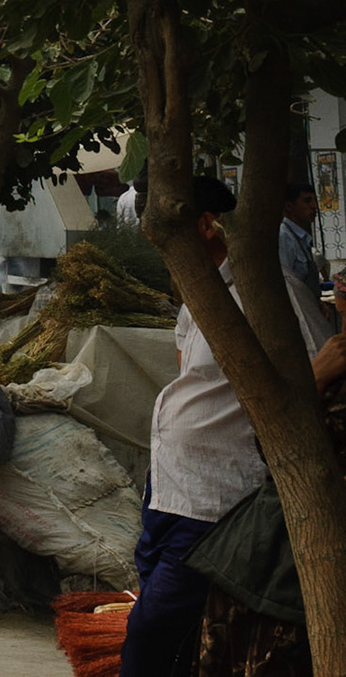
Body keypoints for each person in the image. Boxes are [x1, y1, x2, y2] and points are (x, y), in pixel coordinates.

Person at [120, 176, 346, 676]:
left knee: (150, 630)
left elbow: (320, 386)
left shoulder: (273, 295)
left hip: (220, 498)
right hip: (169, 488)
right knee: (171, 628)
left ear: (204, 225)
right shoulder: (197, 295)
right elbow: (193, 379)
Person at [280, 179, 322, 301]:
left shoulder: (302, 239)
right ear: (289, 206)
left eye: (315, 201)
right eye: (307, 201)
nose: (314, 206)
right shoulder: (284, 237)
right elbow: (285, 284)